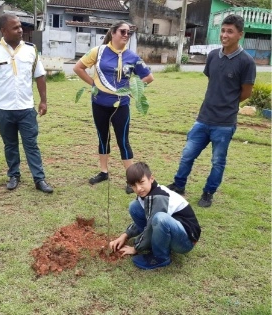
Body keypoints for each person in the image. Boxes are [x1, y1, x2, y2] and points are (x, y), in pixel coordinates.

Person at [167, 14, 256, 207]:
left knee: (217, 161)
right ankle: (179, 185)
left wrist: (228, 104)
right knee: (187, 154)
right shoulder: (213, 55)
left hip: (224, 123)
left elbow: (246, 93)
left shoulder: (246, 62)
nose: (224, 35)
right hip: (203, 118)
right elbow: (214, 82)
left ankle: (208, 192)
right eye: (223, 30)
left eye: (230, 31)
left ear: (240, 34)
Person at [73, 21, 154, 194]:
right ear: (113, 32)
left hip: (121, 106)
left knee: (123, 141)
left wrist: (135, 90)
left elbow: (148, 77)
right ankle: (104, 172)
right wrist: (93, 85)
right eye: (122, 31)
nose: (126, 35)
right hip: (99, 104)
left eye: (129, 32)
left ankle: (130, 178)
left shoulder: (132, 56)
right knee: (103, 138)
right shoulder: (98, 51)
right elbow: (78, 68)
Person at [0, 14, 53, 193]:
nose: (20, 30)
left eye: (20, 26)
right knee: (10, 144)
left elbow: (40, 76)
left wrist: (43, 100)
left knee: (31, 144)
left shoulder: (31, 50)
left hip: (27, 109)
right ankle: (14, 175)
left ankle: (39, 179)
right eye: (15, 27)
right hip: (4, 110)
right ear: (3, 30)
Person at [109, 162, 201, 270]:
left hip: (186, 241)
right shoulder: (146, 194)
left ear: (151, 178)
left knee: (159, 218)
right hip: (173, 229)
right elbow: (149, 219)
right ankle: (153, 243)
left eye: (141, 182)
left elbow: (152, 224)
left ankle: (161, 257)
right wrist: (125, 235)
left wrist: (136, 248)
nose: (138, 188)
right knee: (134, 206)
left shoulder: (159, 197)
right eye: (133, 185)